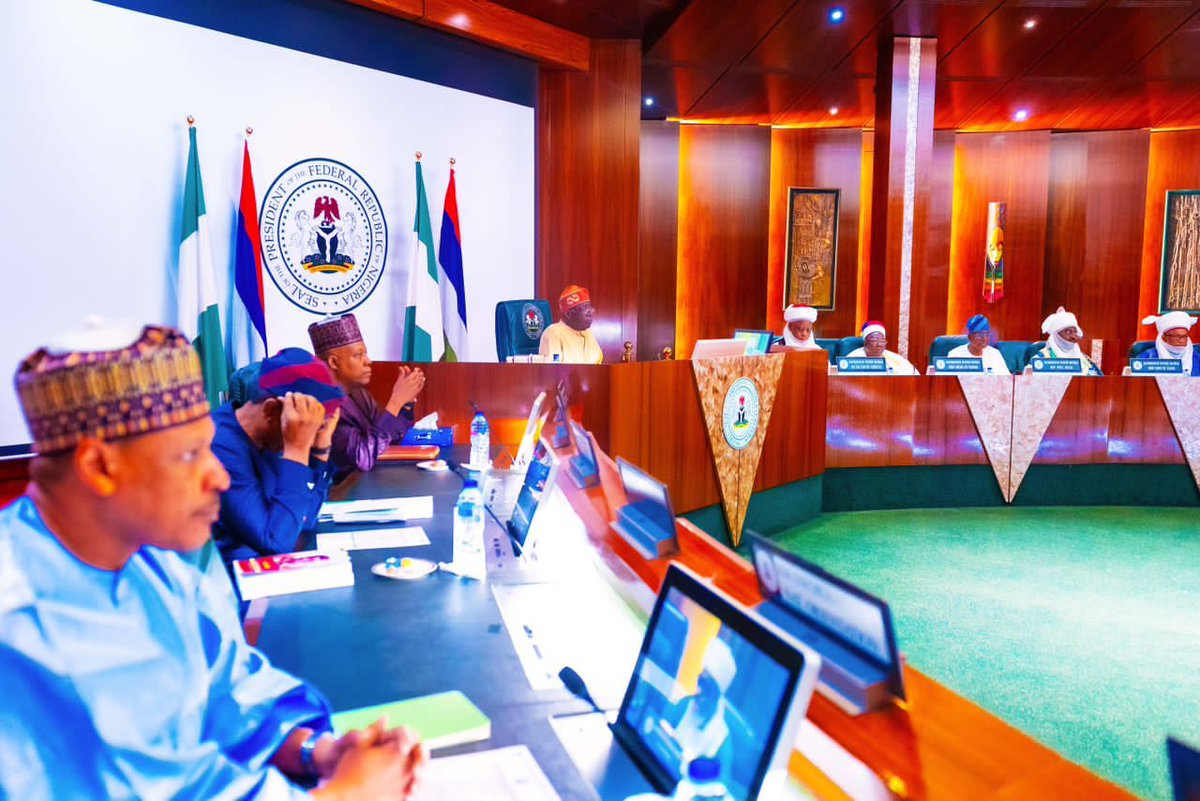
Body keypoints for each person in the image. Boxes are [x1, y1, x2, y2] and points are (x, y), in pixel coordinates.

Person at [0, 322, 426, 799]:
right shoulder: (21, 623)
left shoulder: (152, 562)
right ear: (99, 467)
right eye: (187, 456)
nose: (218, 479)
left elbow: (226, 687)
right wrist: (348, 794)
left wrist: (317, 752)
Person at [212, 348, 346, 566]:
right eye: (307, 427)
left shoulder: (268, 439)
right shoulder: (219, 446)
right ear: (271, 410)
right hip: (221, 585)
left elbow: (304, 519)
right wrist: (297, 450)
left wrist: (320, 450)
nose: (309, 437)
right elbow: (275, 541)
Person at [309, 313, 425, 480]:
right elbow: (363, 457)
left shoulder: (359, 395)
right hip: (338, 495)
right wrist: (395, 402)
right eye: (358, 355)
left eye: (366, 354)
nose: (368, 361)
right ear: (334, 362)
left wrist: (405, 405)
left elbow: (385, 440)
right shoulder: (324, 405)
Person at [539, 284, 603, 364]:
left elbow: (597, 363)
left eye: (589, 307)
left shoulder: (587, 333)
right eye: (584, 308)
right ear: (568, 314)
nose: (591, 311)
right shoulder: (554, 333)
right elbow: (553, 369)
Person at [1035, 307, 1101, 375]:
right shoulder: (1041, 358)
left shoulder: (1085, 359)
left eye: (1075, 332)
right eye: (1068, 332)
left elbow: (1099, 380)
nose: (1073, 336)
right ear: (1056, 335)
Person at [845, 321, 919, 375]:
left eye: (882, 341)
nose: (879, 344)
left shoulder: (895, 359)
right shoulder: (853, 358)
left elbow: (913, 376)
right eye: (874, 340)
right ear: (865, 343)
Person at [1141, 311, 1200, 376]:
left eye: (1185, 336)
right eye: (1178, 336)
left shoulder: (1197, 358)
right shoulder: (1148, 357)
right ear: (1164, 338)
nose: (1182, 340)